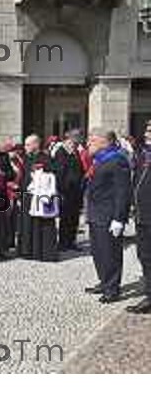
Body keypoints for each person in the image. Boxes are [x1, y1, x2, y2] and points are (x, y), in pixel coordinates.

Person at [84, 128, 132, 303]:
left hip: (108, 215)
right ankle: (104, 282)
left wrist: (119, 218)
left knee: (110, 252)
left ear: (105, 142)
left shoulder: (117, 160)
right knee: (98, 252)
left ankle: (112, 288)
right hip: (96, 214)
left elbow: (123, 192)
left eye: (92, 141)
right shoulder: (100, 160)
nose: (88, 144)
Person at [18, 134, 58, 262]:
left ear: (36, 144)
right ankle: (27, 251)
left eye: (28, 145)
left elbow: (52, 173)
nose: (25, 147)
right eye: (25, 145)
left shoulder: (45, 158)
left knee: (41, 224)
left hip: (41, 196)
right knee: (27, 224)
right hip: (27, 195)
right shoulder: (26, 158)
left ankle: (42, 252)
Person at [128, 121, 151, 314]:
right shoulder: (143, 154)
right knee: (144, 255)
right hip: (142, 215)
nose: (146, 133)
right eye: (146, 130)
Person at [54, 130, 85, 251]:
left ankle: (71, 241)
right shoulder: (61, 152)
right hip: (65, 191)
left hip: (76, 191)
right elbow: (60, 172)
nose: (76, 144)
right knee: (65, 218)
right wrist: (63, 188)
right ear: (68, 140)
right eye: (74, 141)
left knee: (74, 217)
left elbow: (79, 170)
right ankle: (63, 243)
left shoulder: (75, 152)